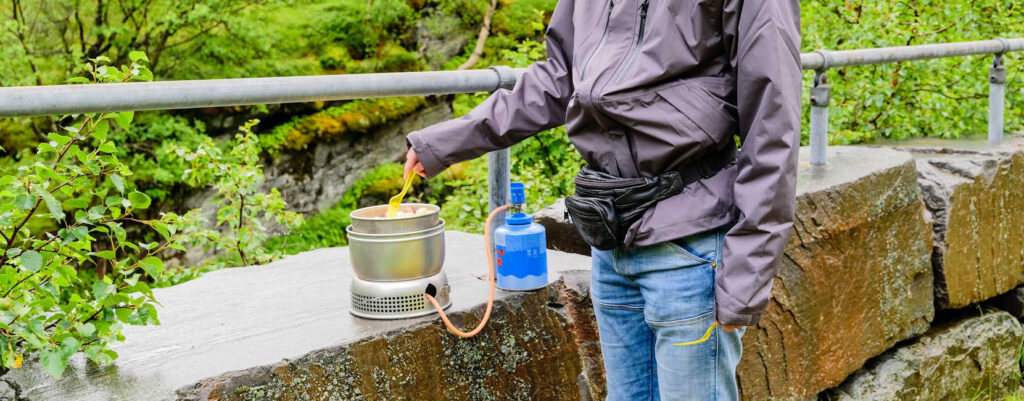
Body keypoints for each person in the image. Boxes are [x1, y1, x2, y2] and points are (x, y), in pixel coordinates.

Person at [403, 0, 801, 399]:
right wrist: (442, 143)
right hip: (610, 238)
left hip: (691, 243)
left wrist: (744, 283)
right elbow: (557, 79)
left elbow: (772, 125)